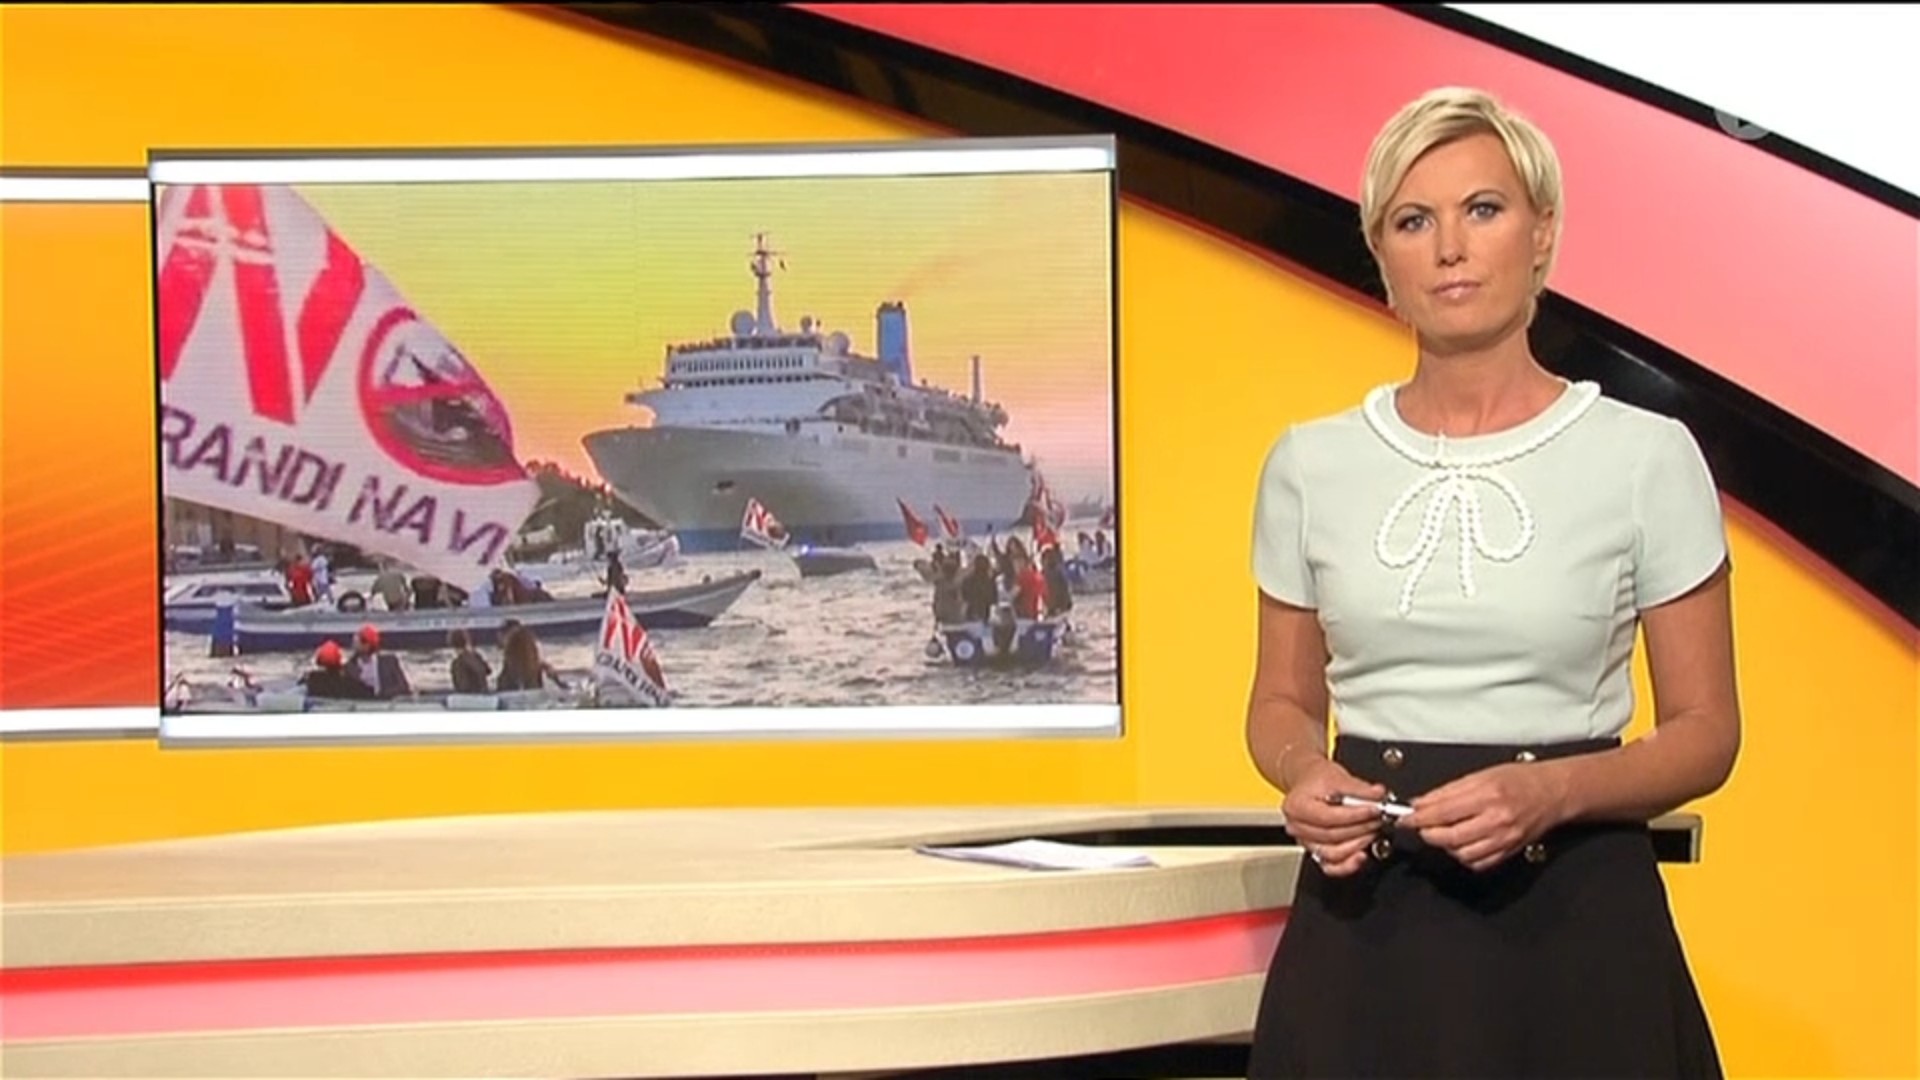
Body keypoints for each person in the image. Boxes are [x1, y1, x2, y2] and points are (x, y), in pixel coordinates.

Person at [1243, 86, 1740, 1079]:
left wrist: (1550, 792)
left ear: (1542, 232)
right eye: (1412, 221)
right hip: (1366, 926)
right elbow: (1279, 703)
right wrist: (1303, 770)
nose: (1450, 249)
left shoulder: (1645, 457)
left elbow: (1706, 732)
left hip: (1576, 924)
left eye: (1483, 210)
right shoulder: (1309, 465)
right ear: (1381, 254)